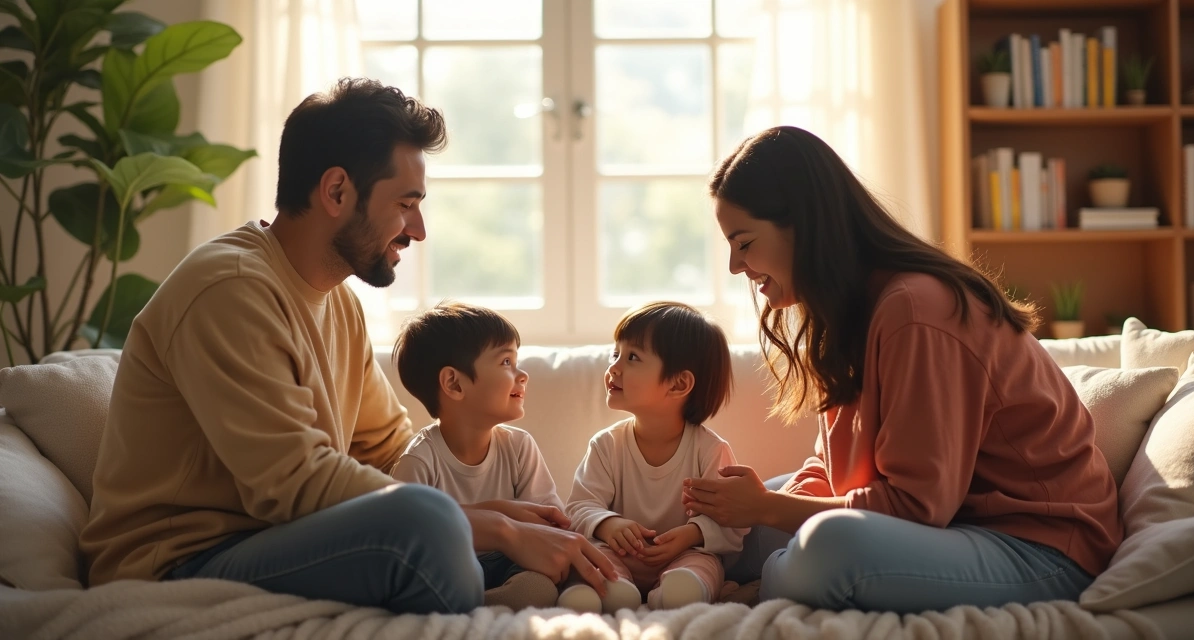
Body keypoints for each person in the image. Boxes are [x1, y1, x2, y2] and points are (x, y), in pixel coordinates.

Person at [80, 78, 615, 614]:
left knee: (458, 523)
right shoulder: (230, 289)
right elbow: (292, 483)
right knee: (431, 529)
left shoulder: (338, 304)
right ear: (336, 191)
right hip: (176, 563)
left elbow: (386, 452)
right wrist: (483, 525)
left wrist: (487, 510)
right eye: (406, 203)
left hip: (274, 542)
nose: (419, 230)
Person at [682, 125, 1121, 614]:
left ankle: (763, 580)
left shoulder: (916, 309)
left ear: (803, 226)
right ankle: (672, 570)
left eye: (743, 242)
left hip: (1041, 548)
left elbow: (917, 505)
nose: (734, 267)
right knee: (732, 515)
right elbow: (833, 468)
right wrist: (758, 507)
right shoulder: (850, 309)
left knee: (825, 547)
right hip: (956, 527)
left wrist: (767, 509)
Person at [560, 302, 748, 613]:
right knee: (594, 554)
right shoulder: (607, 445)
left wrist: (691, 535)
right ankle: (608, 590)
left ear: (679, 384)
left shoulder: (710, 450)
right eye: (615, 354)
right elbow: (579, 506)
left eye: (632, 357)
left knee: (704, 564)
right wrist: (608, 525)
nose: (614, 368)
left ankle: (676, 593)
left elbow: (733, 522)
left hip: (683, 555)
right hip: (618, 554)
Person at [392, 301, 566, 610]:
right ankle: (472, 602)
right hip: (452, 568)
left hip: (512, 562)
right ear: (454, 384)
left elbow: (549, 528)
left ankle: (468, 606)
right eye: (505, 362)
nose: (522, 374)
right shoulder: (418, 461)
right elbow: (408, 542)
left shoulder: (519, 446)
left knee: (538, 585)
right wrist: (501, 514)